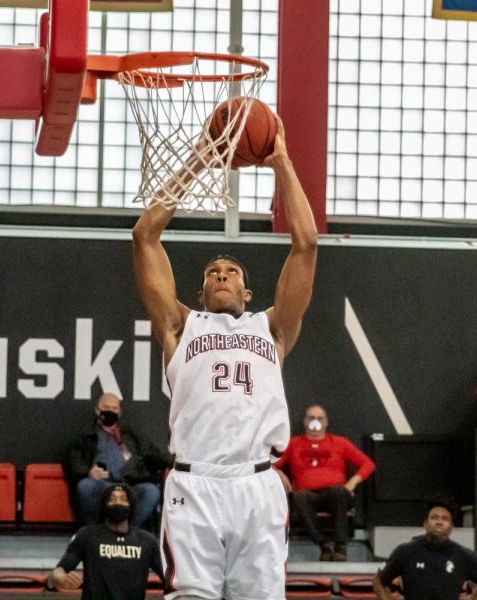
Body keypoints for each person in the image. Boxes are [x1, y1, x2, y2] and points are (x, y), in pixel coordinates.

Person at [132, 116, 317, 599]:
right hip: (195, 485)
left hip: (257, 485)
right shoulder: (180, 325)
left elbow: (306, 245)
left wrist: (281, 161)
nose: (220, 274)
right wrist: (197, 160)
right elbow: (144, 237)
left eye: (230, 270)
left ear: (246, 290)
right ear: (199, 290)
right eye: (212, 271)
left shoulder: (271, 328)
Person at [274, 404, 375, 561]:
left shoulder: (340, 442)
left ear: (326, 422)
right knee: (299, 496)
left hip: (335, 495)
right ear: (305, 421)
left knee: (337, 491)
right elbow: (271, 464)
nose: (315, 421)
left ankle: (341, 546)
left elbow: (368, 464)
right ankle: (324, 545)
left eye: (319, 418)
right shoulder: (293, 444)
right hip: (308, 496)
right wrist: (280, 473)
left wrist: (352, 482)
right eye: (311, 418)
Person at [62, 392, 172, 529]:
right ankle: (94, 532)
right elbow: (72, 462)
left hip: (130, 484)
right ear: (97, 410)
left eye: (114, 409)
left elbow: (154, 455)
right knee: (85, 486)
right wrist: (89, 472)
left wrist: (175, 461)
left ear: (119, 412)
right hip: (101, 484)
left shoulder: (131, 435)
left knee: (151, 491)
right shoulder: (86, 436)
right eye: (106, 407)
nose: (110, 412)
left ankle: (128, 532)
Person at [49, 482, 163, 600]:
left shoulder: (147, 540)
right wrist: (59, 577)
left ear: (131, 505)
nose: (117, 502)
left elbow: (170, 578)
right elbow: (60, 570)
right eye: (112, 499)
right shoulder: (87, 535)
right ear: (104, 505)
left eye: (123, 499)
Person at [372, 497, 477, 600]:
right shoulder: (405, 552)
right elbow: (379, 582)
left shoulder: (464, 556)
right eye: (434, 518)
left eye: (445, 519)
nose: (439, 522)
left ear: (451, 527)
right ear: (426, 524)